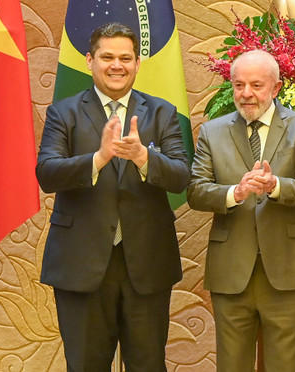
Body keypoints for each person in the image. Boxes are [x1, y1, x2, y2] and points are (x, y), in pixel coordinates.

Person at [36, 22, 191, 371]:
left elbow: (182, 176)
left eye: (125, 57)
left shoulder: (162, 112)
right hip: (81, 263)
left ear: (138, 63)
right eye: (107, 57)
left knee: (148, 364)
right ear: (90, 61)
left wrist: (143, 157)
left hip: (147, 263)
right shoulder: (64, 112)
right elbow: (46, 173)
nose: (116, 65)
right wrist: (98, 158)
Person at [187, 49, 295, 372]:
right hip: (231, 270)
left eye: (256, 86)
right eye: (238, 85)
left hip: (288, 270)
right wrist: (236, 192)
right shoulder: (212, 131)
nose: (246, 94)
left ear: (276, 88)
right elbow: (195, 192)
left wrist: (274, 185)